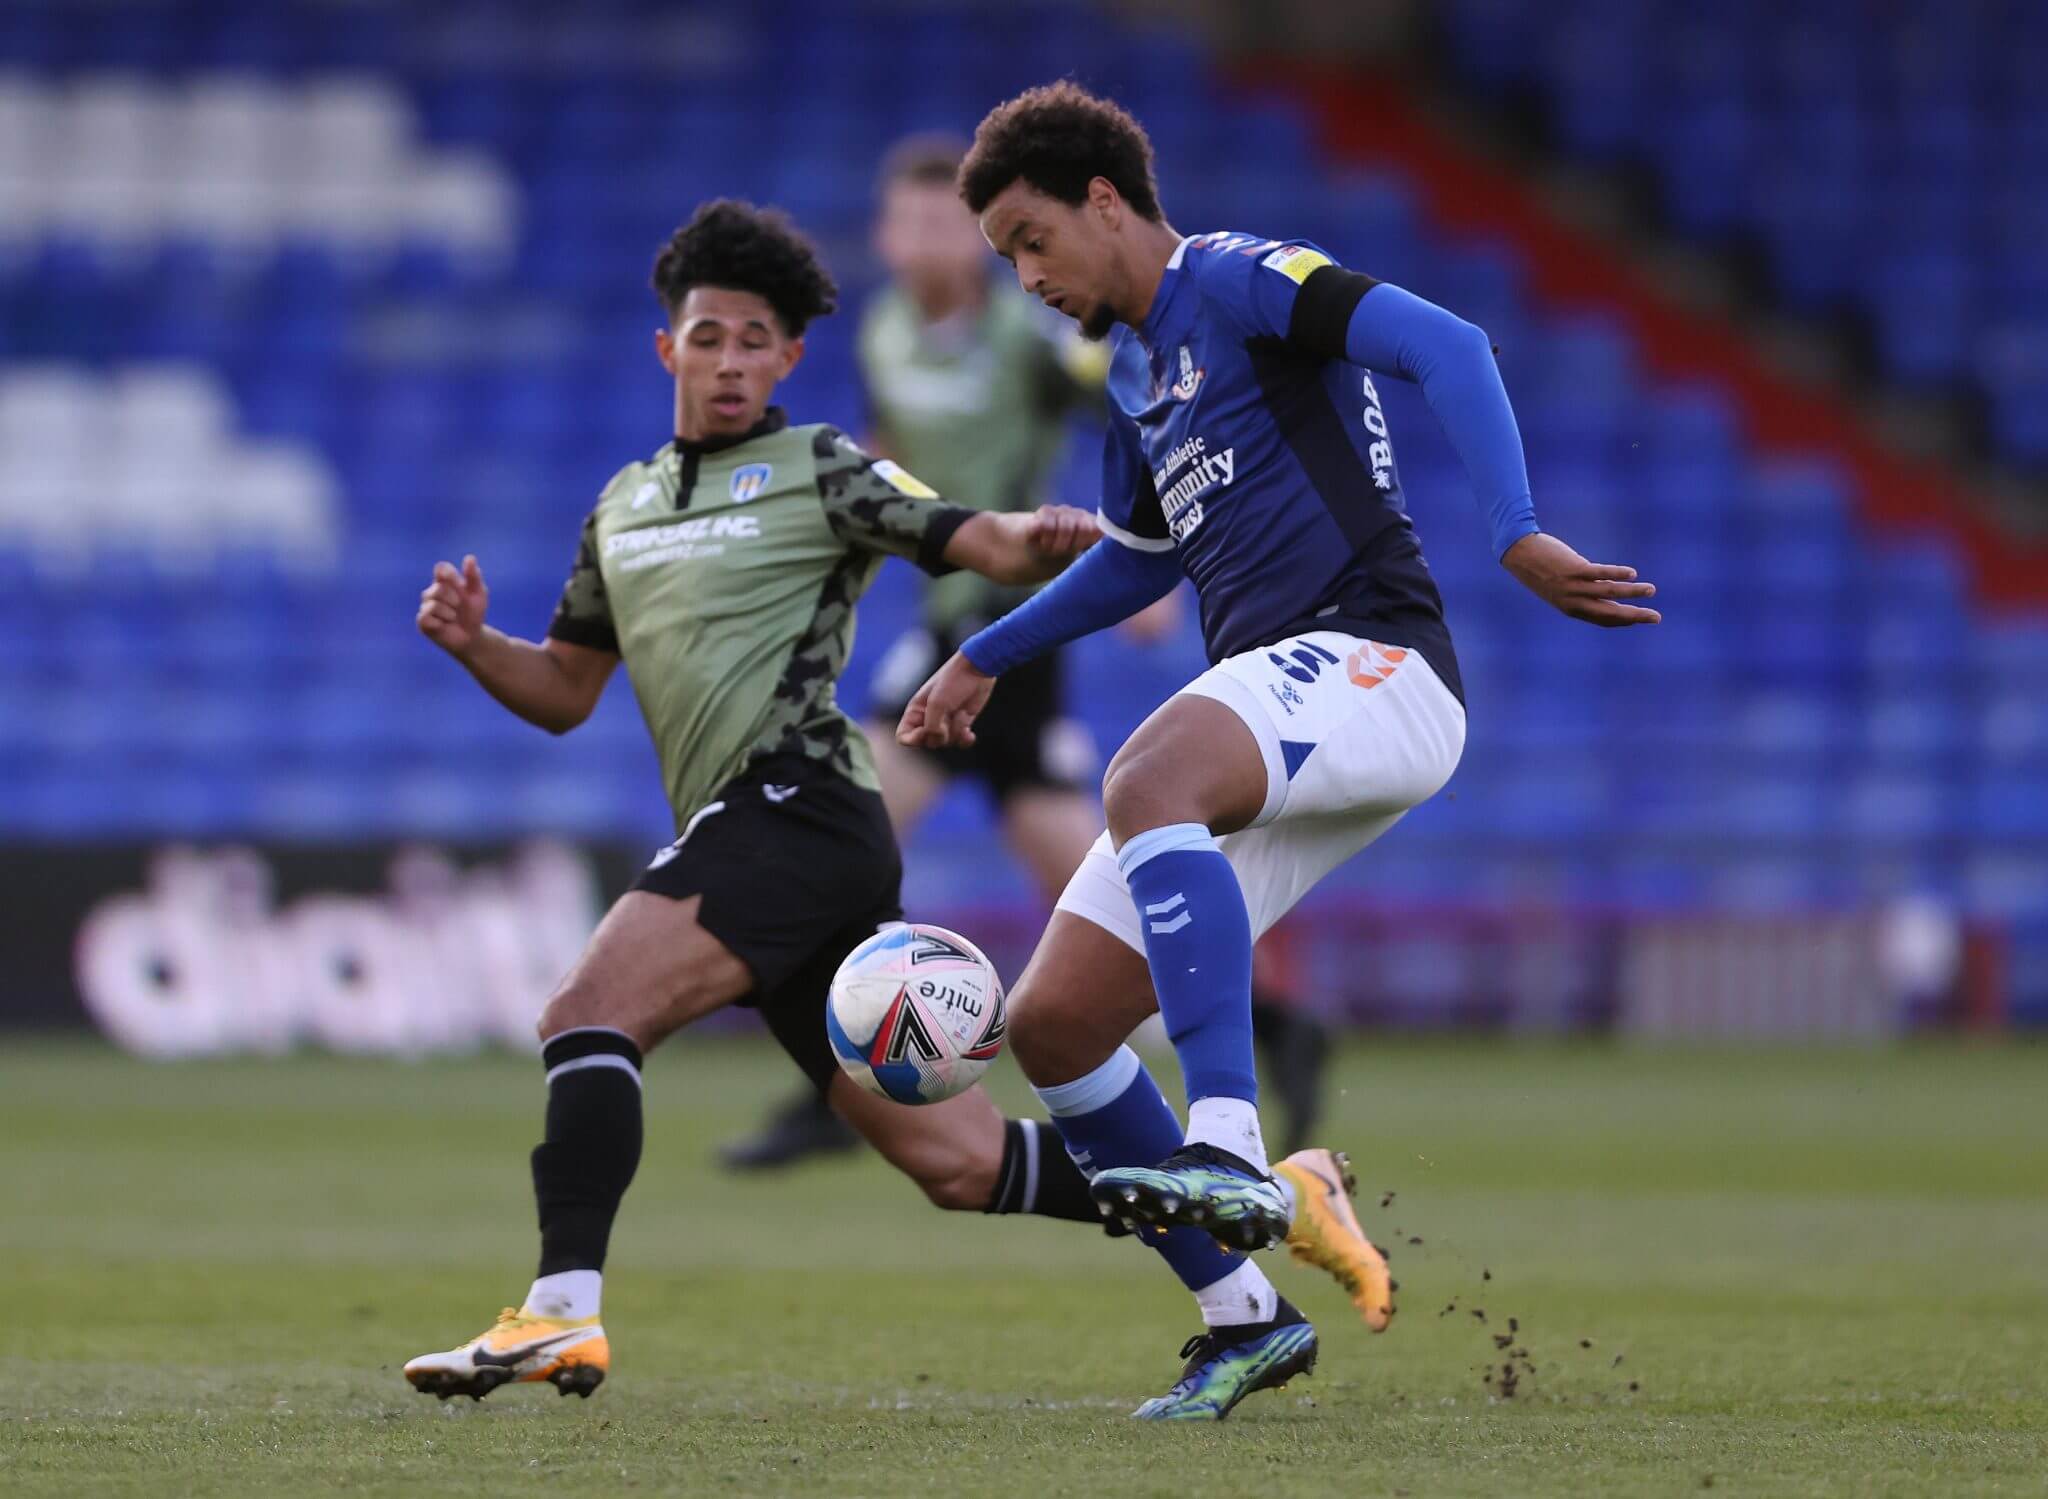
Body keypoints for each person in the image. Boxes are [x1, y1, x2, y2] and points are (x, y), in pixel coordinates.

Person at [400, 197, 1390, 1404]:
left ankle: (557, 1313)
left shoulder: (817, 465)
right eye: (706, 336)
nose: (728, 360)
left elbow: (962, 532)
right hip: (758, 842)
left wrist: (1044, 535)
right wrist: (471, 646)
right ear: (668, 348)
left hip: (797, 805)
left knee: (585, 1012)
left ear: (789, 357)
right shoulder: (618, 509)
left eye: (754, 340)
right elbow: (563, 689)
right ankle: (1268, 1233)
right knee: (959, 1163)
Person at [899, 83, 1660, 1420]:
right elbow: (1134, 561)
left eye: (1033, 241)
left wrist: (1516, 528)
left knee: (1143, 778)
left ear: (1106, 201)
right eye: (1007, 258)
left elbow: (1449, 342)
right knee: (1057, 1023)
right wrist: (984, 653)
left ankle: (1232, 1137)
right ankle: (1243, 1315)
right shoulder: (1139, 378)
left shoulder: (1240, 278)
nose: (1026, 278)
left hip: (1381, 663)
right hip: (1271, 701)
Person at [719, 135, 1331, 1173]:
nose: (918, 241)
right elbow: (891, 442)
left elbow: (1139, 407)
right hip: (944, 626)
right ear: (881, 235)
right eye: (901, 222)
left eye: (936, 222)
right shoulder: (878, 330)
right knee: (899, 844)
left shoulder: (1021, 336)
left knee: (862, 841)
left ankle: (1268, 1026)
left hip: (1011, 635)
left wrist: (1146, 560)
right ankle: (835, 1085)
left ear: (971, 239)